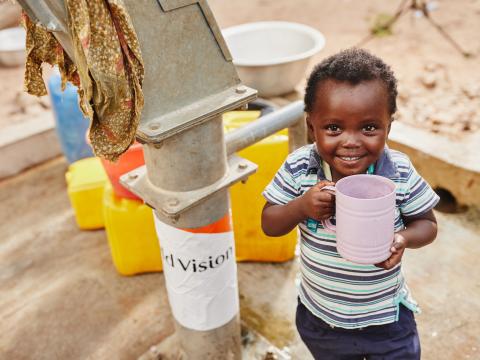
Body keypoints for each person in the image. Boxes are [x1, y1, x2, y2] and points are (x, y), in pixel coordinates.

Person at [261, 48, 439, 359]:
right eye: (333, 128)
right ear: (311, 127)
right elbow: (269, 223)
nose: (351, 141)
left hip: (386, 320)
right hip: (321, 320)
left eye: (369, 127)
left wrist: (403, 239)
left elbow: (427, 224)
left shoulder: (397, 172)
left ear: (388, 127)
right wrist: (300, 207)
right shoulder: (300, 169)